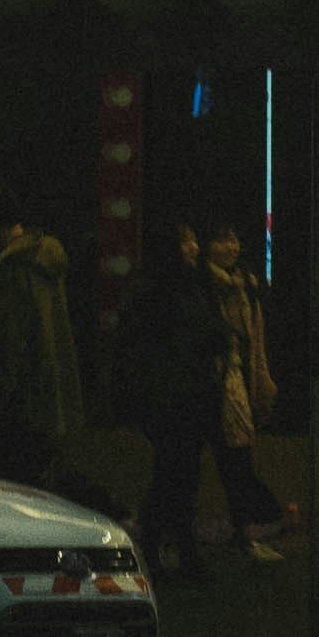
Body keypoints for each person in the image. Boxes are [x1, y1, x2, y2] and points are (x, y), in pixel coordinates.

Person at [104, 211, 232, 582]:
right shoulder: (160, 290)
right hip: (171, 396)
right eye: (185, 240)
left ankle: (162, 548)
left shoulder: (188, 284)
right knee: (176, 473)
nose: (194, 247)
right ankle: (171, 550)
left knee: (176, 473)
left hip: (185, 394)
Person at [0, 187, 81, 485]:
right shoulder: (46, 262)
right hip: (47, 406)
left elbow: (3, 353)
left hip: (17, 415)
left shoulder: (13, 270)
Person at [193, 223, 295, 563]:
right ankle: (256, 522)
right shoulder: (204, 284)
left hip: (237, 377)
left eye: (235, 239)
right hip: (214, 380)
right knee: (233, 455)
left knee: (234, 455)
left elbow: (257, 339)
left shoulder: (245, 285)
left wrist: (262, 380)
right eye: (223, 238)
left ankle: (249, 525)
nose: (231, 247)